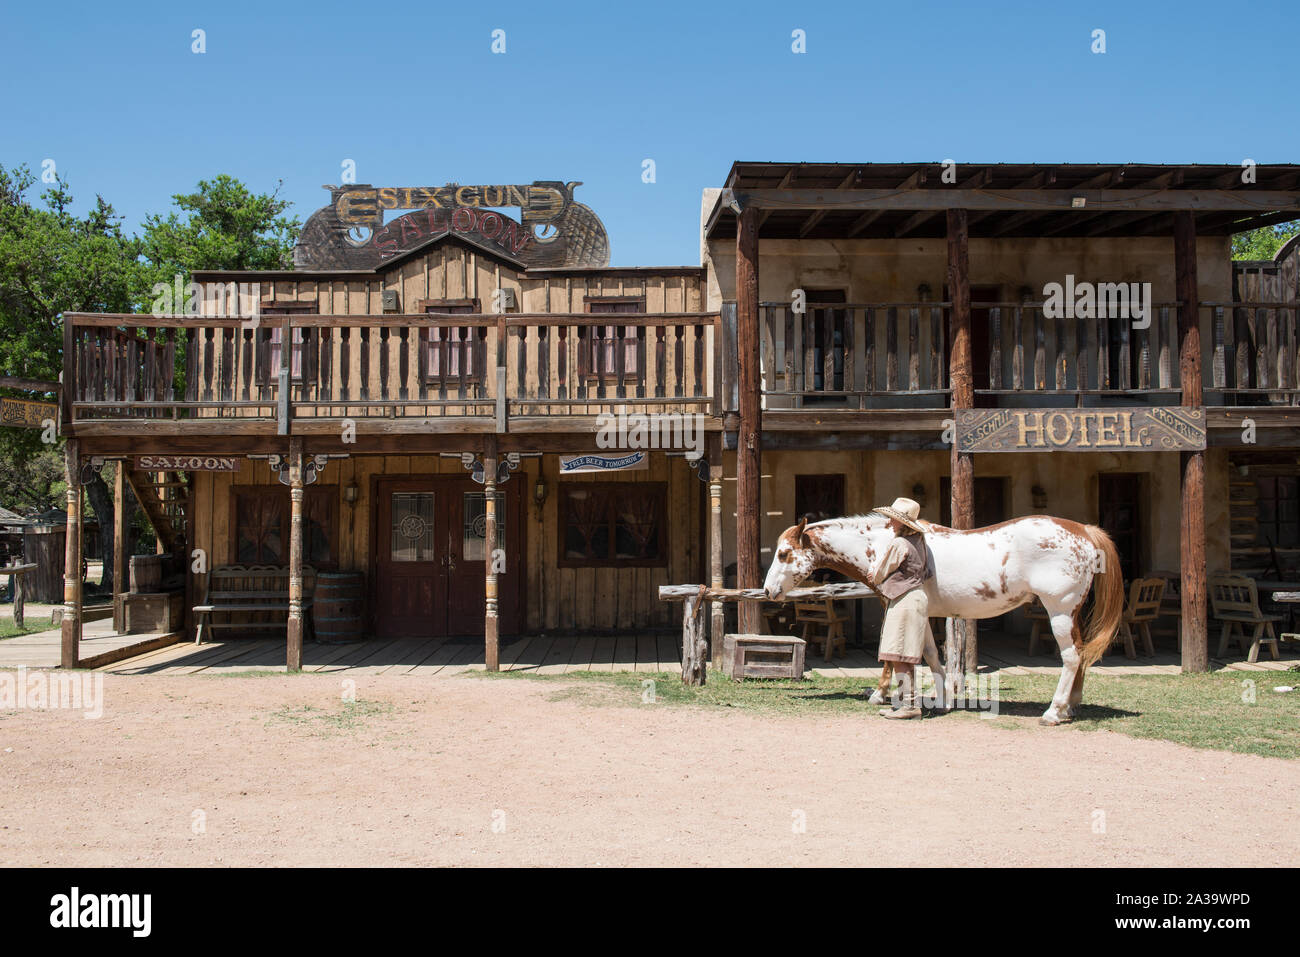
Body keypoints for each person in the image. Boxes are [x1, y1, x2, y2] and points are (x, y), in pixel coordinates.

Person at [867, 497, 934, 720]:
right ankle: (907, 703)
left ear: (904, 523)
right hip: (916, 597)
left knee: (898, 654)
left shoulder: (899, 544)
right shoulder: (921, 542)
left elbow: (880, 572)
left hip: (904, 599)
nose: (890, 523)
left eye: (894, 520)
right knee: (904, 654)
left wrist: (873, 574)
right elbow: (928, 571)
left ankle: (910, 705)